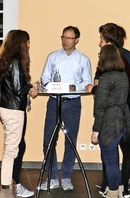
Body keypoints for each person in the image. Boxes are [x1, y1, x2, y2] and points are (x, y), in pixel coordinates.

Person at [89, 23, 130, 196]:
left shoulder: (116, 65)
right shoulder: (119, 70)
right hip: (124, 114)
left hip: (114, 116)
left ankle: (117, 188)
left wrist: (96, 129)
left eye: (101, 39)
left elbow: (100, 105)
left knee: (114, 155)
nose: (99, 43)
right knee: (119, 152)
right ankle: (118, 187)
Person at [39, 26, 92, 191]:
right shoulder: (53, 56)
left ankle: (67, 176)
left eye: (69, 38)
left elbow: (87, 82)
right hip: (54, 101)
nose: (65, 40)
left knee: (70, 140)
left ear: (76, 40)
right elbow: (44, 78)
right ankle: (53, 177)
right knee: (49, 140)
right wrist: (53, 85)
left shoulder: (83, 59)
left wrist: (72, 87)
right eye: (63, 37)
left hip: (73, 102)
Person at [0, 29, 36, 198]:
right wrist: (31, 87)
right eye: (27, 42)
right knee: (11, 150)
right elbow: (19, 89)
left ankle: (12, 184)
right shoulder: (16, 61)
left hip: (4, 108)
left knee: (16, 146)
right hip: (14, 110)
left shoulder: (2, 59)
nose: (28, 45)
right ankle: (6, 189)